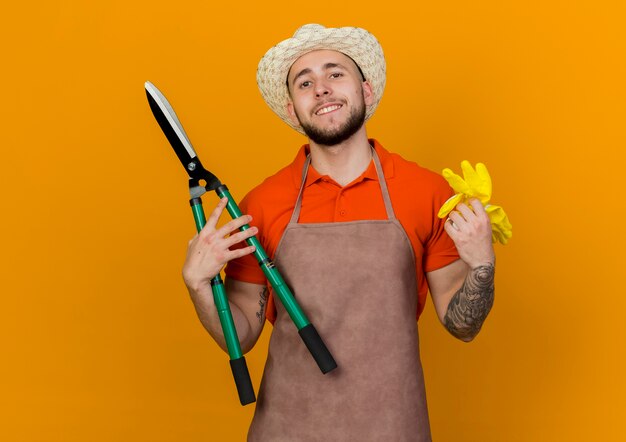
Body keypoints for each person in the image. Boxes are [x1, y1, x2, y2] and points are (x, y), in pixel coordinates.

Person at [182, 24, 496, 441]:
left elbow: (462, 326)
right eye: (305, 82)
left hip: (393, 427)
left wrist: (481, 263)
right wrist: (200, 284)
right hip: (287, 429)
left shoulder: (426, 192)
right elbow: (239, 336)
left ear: (365, 91)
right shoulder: (261, 203)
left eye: (335, 74)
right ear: (293, 110)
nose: (322, 89)